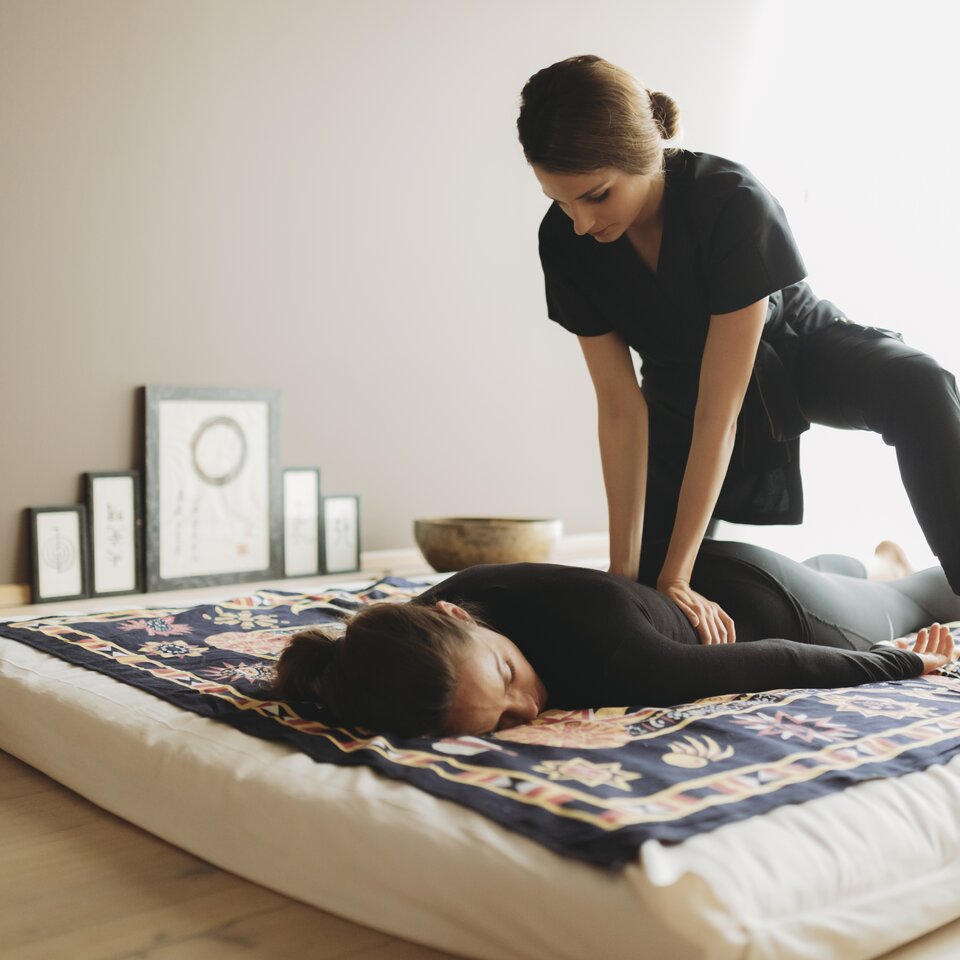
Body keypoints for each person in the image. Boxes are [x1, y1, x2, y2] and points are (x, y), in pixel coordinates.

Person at [515, 55, 960, 644]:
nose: (578, 222)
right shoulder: (566, 242)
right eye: (561, 201)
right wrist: (627, 578)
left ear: (641, 154)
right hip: (677, 389)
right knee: (661, 604)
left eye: (595, 196)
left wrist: (677, 573)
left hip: (794, 354)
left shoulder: (729, 201)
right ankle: (879, 573)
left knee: (920, 384)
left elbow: (717, 413)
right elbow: (622, 410)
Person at [269, 540, 960, 738]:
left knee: (919, 598)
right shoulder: (412, 631)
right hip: (695, 574)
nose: (532, 707)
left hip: (779, 609)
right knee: (842, 573)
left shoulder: (616, 661)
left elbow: (780, 659)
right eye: (504, 722)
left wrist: (905, 660)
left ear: (460, 619)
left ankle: (885, 581)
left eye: (509, 677)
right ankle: (863, 565)